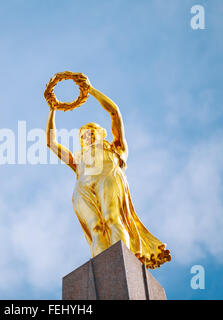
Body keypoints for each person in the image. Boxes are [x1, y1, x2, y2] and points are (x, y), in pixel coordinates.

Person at [46, 76, 171, 268]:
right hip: (83, 189)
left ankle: (125, 263)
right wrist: (52, 110)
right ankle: (104, 270)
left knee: (113, 219)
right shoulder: (78, 159)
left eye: (92, 131)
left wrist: (91, 90)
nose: (88, 136)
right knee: (96, 228)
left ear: (102, 134)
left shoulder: (116, 148)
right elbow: (51, 143)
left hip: (109, 177)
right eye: (83, 135)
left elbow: (115, 112)